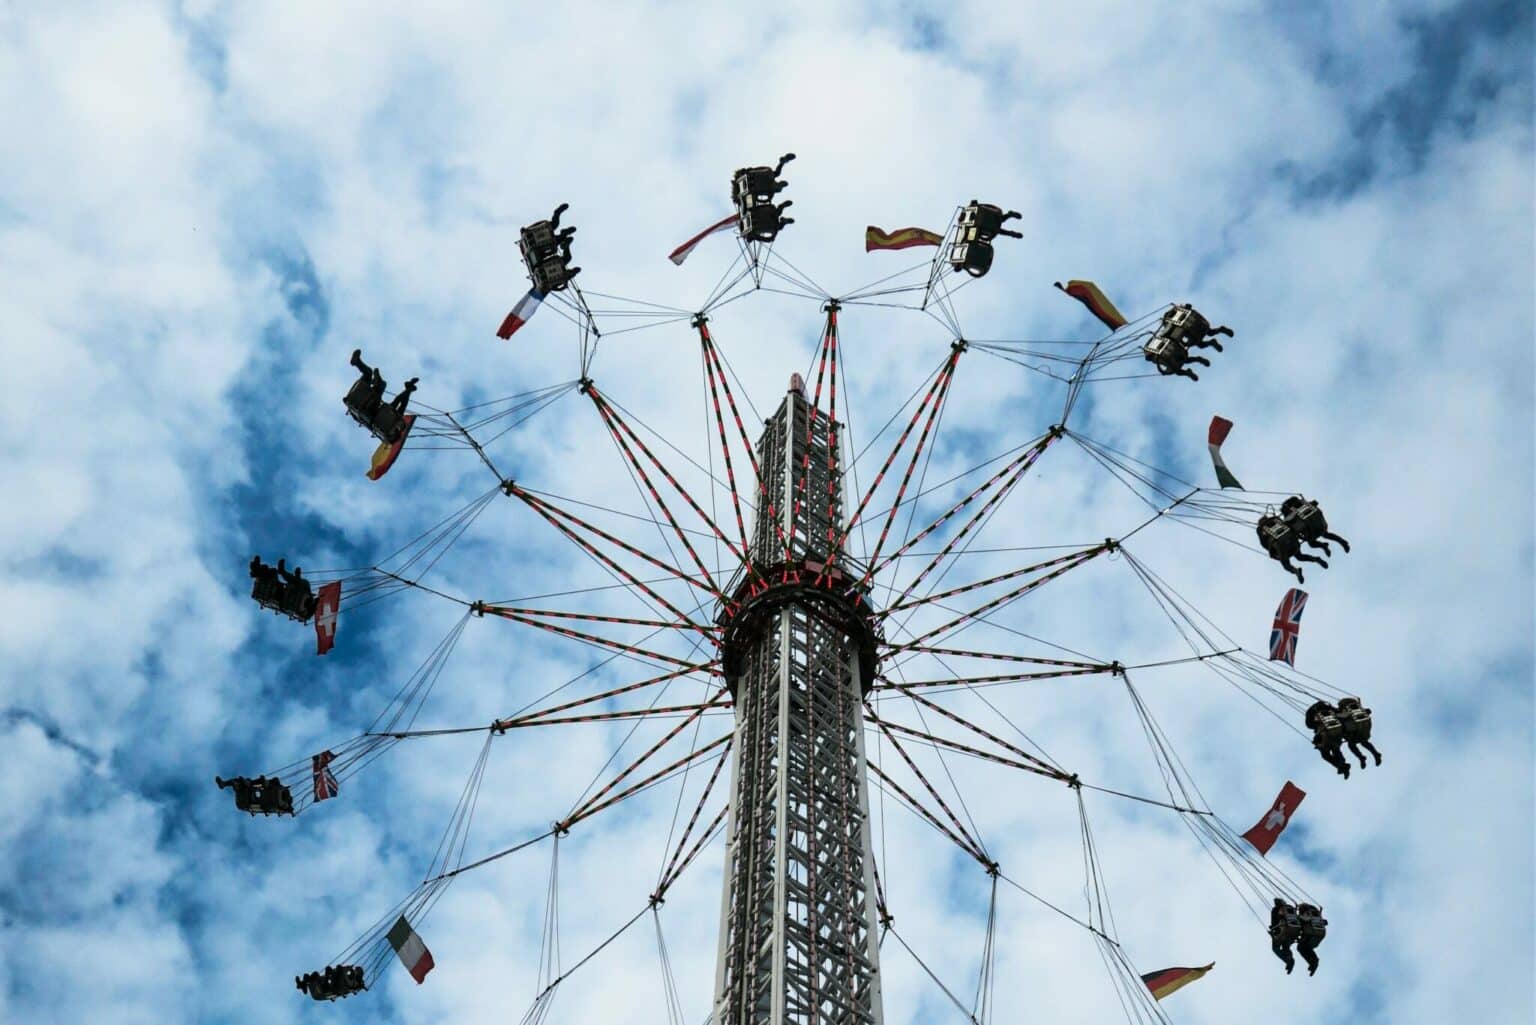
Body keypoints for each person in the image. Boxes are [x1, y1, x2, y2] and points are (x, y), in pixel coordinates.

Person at [1257, 513, 1328, 583]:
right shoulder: (1275, 519)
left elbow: (1263, 543)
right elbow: (1288, 525)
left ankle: (1296, 571)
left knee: (1286, 565)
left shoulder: (1260, 529)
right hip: (1291, 538)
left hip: (1279, 545)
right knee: (1300, 556)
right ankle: (1317, 559)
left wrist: (1271, 551)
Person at [1281, 496, 1350, 556]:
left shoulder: (1290, 516)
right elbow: (1316, 503)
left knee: (1312, 542)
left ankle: (1325, 546)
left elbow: (1291, 528)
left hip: (1312, 528)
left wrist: (1300, 536)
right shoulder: (1306, 505)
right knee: (1325, 534)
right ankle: (1341, 542)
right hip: (1318, 524)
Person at [1305, 700, 1351, 778]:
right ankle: (1342, 766)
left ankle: (1342, 766)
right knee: (1334, 750)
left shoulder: (1316, 716)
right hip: (1335, 733)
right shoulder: (1330, 710)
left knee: (1328, 753)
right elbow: (1342, 714)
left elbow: (1309, 725)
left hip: (1327, 735)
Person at [1337, 696, 1382, 767]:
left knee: (1355, 744)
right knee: (1361, 743)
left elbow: (1344, 715)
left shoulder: (1348, 711)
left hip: (1356, 731)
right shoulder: (1357, 708)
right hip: (1358, 731)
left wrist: (1337, 715)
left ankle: (1366, 757)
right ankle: (1371, 755)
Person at [1270, 898, 1301, 973]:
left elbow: (1275, 921)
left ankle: (1289, 960)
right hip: (1293, 931)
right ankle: (1289, 960)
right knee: (1286, 946)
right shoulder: (1290, 908)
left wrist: (1273, 929)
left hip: (1282, 931)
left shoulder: (1276, 910)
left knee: (1275, 948)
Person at [1296, 903, 1327, 975]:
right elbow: (1325, 922)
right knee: (1305, 947)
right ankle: (1313, 963)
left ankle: (1314, 961)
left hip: (1312, 934)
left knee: (1301, 947)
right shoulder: (1316, 914)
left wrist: (1298, 917)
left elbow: (1305, 919)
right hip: (1320, 935)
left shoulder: (1307, 913)